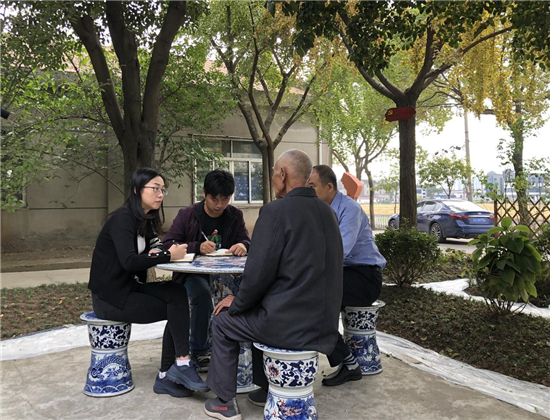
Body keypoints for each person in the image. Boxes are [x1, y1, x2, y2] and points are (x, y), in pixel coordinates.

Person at [203, 150, 343, 420]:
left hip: (287, 325)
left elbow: (258, 274)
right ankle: (265, 386)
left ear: (282, 175)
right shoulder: (328, 212)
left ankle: (223, 402)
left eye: (274, 172)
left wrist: (238, 302)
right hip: (324, 324)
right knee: (256, 310)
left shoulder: (275, 211)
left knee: (223, 320)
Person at [88, 168, 209, 398]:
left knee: (176, 292)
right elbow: (129, 261)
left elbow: (156, 247)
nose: (160, 194)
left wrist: (164, 250)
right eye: (155, 188)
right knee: (175, 308)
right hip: (110, 298)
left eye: (163, 189)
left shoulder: (143, 221)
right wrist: (168, 256)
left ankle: (172, 371)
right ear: (136, 190)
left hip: (129, 289)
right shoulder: (122, 219)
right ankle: (173, 370)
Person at [163, 169, 250, 372]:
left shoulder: (235, 215)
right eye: (214, 199)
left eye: (225, 199)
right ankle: (200, 350)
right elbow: (169, 244)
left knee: (245, 293)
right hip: (191, 275)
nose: (219, 205)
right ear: (203, 193)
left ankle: (234, 347)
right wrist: (196, 247)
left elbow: (246, 240)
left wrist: (243, 245)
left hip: (226, 276)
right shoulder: (188, 215)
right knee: (202, 295)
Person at [307, 164, 386, 386]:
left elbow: (339, 252)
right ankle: (345, 361)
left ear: (329, 187)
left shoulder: (349, 210)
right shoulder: (319, 211)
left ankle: (348, 363)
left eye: (312, 186)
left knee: (314, 299)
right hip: (340, 274)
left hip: (364, 277)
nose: (309, 191)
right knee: (309, 297)